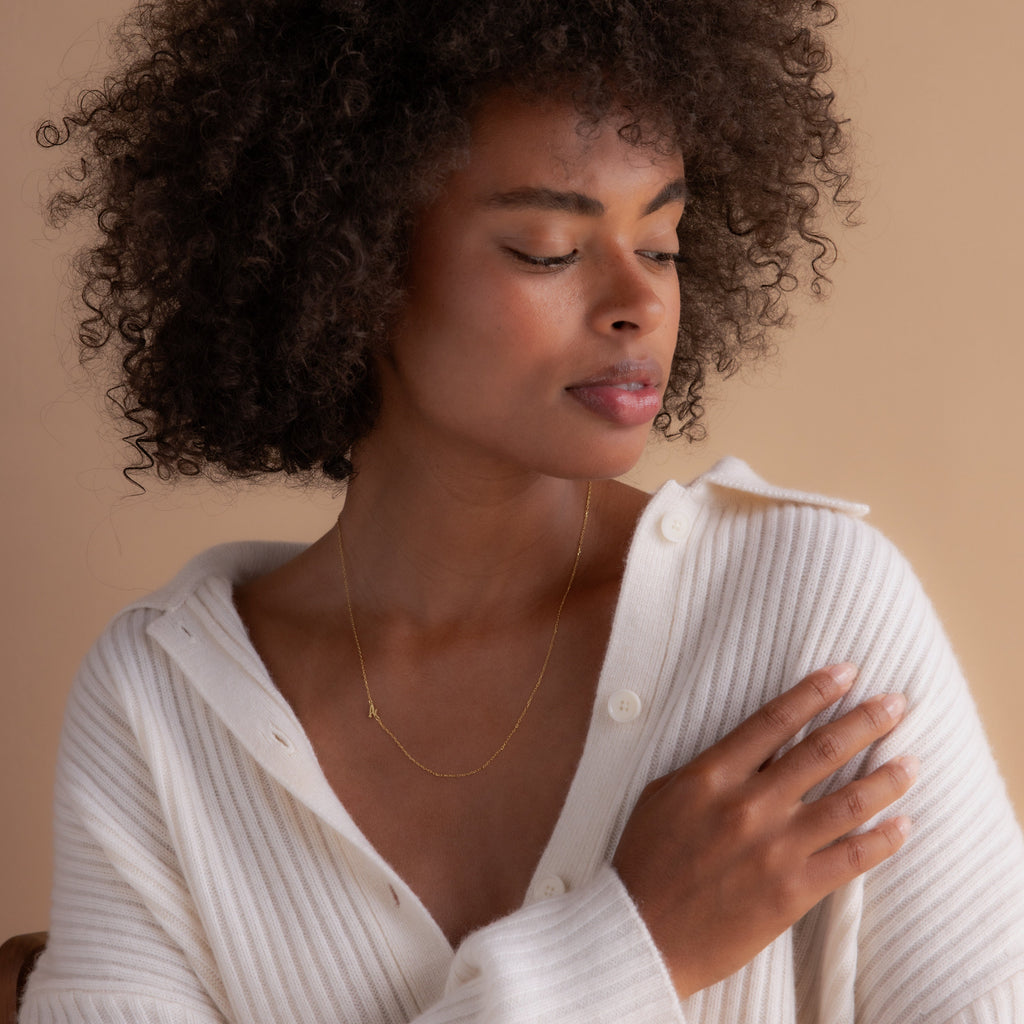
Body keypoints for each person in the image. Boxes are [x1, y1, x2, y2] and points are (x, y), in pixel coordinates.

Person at [22, 0, 1024, 1021]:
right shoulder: (165, 704)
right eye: (550, 249)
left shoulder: (813, 614)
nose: (639, 299)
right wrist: (628, 948)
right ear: (349, 269)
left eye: (664, 242)